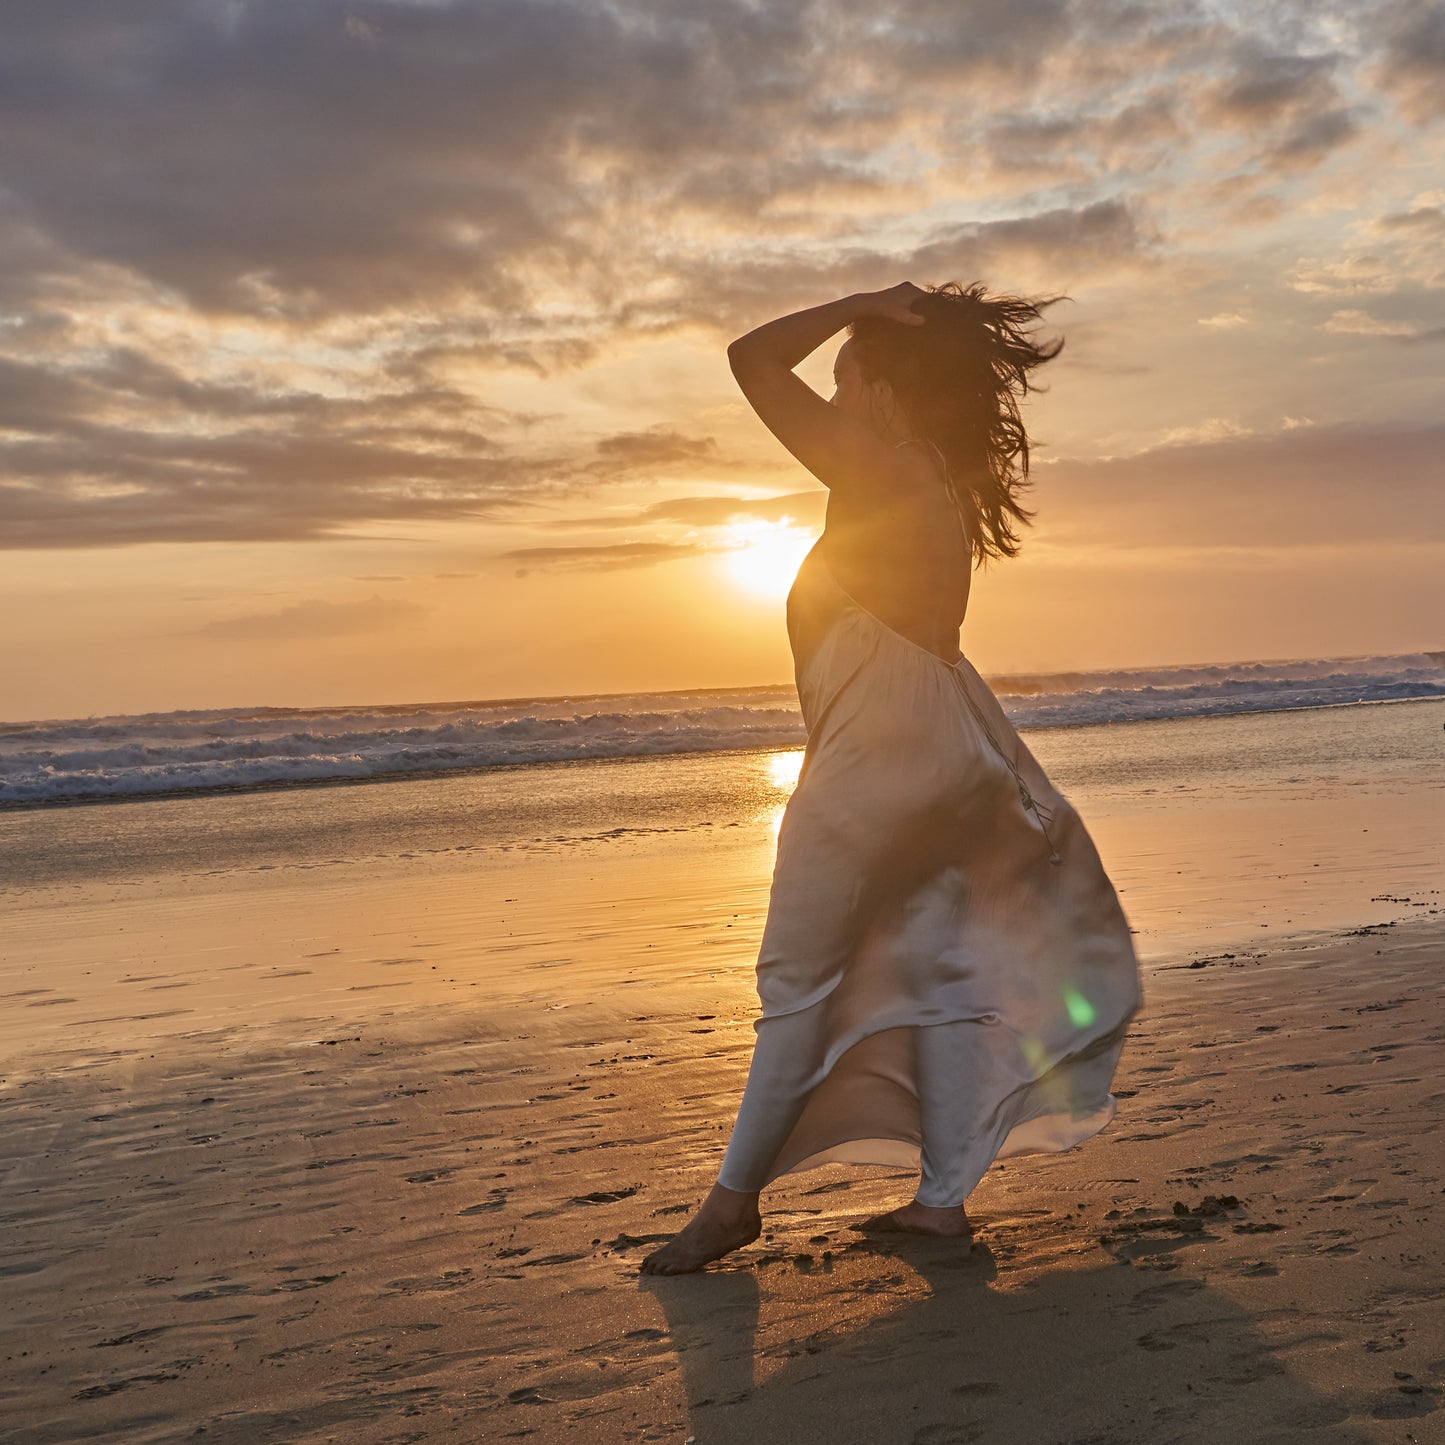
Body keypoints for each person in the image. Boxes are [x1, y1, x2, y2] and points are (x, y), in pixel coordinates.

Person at [641, 282, 1141, 1276]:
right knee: (942, 968)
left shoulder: (877, 470)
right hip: (947, 743)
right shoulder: (927, 481)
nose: (832, 395)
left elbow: (748, 359)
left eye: (845, 376)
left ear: (880, 385)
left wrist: (860, 300)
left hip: (880, 756)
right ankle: (939, 1205)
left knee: (796, 980)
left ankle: (731, 1204)